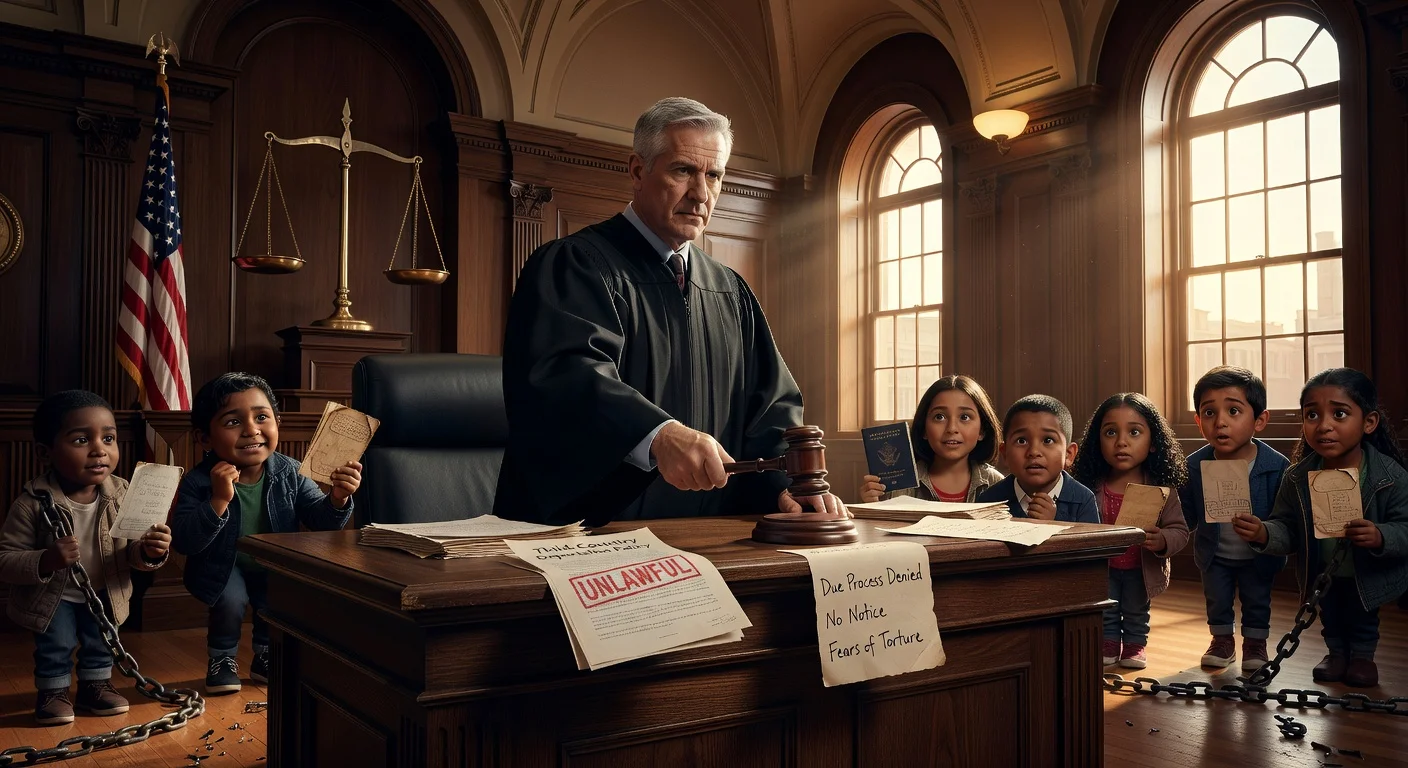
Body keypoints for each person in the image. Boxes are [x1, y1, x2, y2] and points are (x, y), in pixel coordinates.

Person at [494, 97, 845, 525]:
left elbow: (770, 406)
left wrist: (787, 487)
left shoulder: (729, 290)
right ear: (638, 171)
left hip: (705, 537)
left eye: (713, 175)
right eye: (683, 171)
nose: (701, 194)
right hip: (589, 535)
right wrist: (657, 435)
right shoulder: (574, 266)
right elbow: (565, 379)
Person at [171, 373, 360, 695]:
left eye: (261, 417)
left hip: (272, 561)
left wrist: (338, 498)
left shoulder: (290, 472)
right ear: (204, 438)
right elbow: (186, 541)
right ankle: (222, 659)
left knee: (275, 600)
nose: (251, 430)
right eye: (233, 422)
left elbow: (321, 521)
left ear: (277, 422)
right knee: (230, 601)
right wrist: (218, 500)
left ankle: (265, 655)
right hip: (221, 564)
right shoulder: (198, 481)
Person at [0, 390, 171, 725]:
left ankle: (96, 686)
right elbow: (5, 560)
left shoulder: (122, 494)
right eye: (81, 439)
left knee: (102, 640)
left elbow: (131, 552)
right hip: (55, 595)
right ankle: (53, 692)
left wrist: (149, 551)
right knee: (57, 643)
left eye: (108, 438)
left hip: (105, 589)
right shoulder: (32, 503)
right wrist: (46, 560)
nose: (99, 450)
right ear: (45, 453)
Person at [1236, 368, 1408, 688]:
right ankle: (1336, 653)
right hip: (1322, 570)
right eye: (1312, 415)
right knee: (1331, 612)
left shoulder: (1389, 477)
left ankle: (1362, 657)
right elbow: (1287, 526)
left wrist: (1381, 535)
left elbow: (1405, 526)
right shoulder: (1297, 477)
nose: (1324, 425)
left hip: (1366, 571)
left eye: (1339, 414)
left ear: (1369, 422)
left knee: (1362, 615)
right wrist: (1264, 533)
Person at [1180, 366, 1287, 672]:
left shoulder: (1277, 466)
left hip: (1258, 556)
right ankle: (1222, 641)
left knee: (1257, 600)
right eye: (1209, 413)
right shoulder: (1194, 465)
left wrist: (1264, 531)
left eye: (1233, 411)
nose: (1220, 422)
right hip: (1214, 554)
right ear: (1198, 421)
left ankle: (1255, 644)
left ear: (1259, 420)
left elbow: (1286, 519)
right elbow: (1186, 513)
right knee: (1217, 599)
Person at [1072, 393, 1190, 670]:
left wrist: (1162, 540)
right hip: (1104, 566)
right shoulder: (1089, 487)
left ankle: (1136, 645)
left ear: (1153, 442)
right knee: (1108, 607)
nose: (1121, 442)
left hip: (1141, 566)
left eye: (1134, 432)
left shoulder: (1162, 490)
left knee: (1137, 609)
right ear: (1097, 441)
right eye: (1110, 432)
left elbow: (1180, 530)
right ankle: (1109, 642)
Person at [858, 375, 1003, 503]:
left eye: (964, 417)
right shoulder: (896, 487)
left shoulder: (997, 484)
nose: (952, 428)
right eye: (939, 417)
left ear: (982, 431)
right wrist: (873, 507)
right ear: (924, 429)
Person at [977, 395, 1099, 523]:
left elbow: (1093, 537)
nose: (1034, 452)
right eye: (1021, 441)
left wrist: (1054, 523)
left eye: (1048, 440)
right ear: (1005, 453)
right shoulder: (989, 501)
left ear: (1068, 454)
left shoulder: (1083, 500)